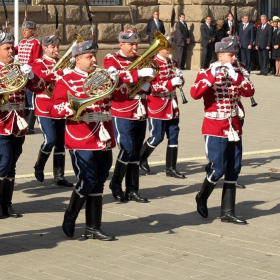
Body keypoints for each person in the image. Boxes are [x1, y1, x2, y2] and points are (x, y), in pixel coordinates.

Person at [50, 40, 116, 240]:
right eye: (89, 56)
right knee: (87, 179)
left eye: (95, 55)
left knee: (100, 181)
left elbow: (119, 99)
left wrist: (118, 81)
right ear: (77, 59)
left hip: (103, 134)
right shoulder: (66, 79)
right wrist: (72, 108)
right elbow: (54, 109)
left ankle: (93, 227)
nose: (94, 60)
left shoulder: (102, 77)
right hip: (82, 136)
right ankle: (70, 214)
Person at [190, 36, 255, 225]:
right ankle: (202, 196)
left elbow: (250, 92)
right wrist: (212, 75)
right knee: (217, 169)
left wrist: (237, 77)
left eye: (235, 54)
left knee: (234, 168)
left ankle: (228, 212)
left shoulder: (239, 70)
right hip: (215, 126)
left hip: (234, 125)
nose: (234, 58)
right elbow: (195, 94)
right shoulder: (207, 72)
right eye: (230, 54)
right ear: (220, 56)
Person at [104, 30, 155, 203]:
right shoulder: (111, 59)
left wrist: (149, 83)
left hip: (140, 110)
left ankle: (133, 189)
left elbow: (149, 84)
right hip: (122, 110)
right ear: (121, 44)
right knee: (126, 148)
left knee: (135, 152)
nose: (134, 47)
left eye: (136, 44)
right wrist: (138, 74)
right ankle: (116, 184)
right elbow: (115, 78)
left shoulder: (139, 60)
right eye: (131, 44)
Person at [0, 31, 45, 218]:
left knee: (12, 164)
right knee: (4, 161)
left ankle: (6, 205)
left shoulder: (19, 68)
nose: (12, 51)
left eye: (12, 48)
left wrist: (32, 75)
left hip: (17, 123)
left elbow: (41, 87)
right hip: (1, 123)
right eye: (7, 48)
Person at [139, 36, 186, 179]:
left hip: (172, 105)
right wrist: (170, 83)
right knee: (157, 137)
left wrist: (180, 79)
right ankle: (141, 158)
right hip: (157, 105)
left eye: (169, 47)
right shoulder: (152, 64)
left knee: (174, 136)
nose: (168, 50)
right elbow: (150, 88)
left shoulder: (174, 62)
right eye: (166, 47)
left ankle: (171, 168)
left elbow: (178, 82)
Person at [32, 35, 73, 187]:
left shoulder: (61, 62)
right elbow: (42, 76)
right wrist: (62, 73)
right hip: (44, 106)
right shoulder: (38, 62)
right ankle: (39, 165)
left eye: (57, 46)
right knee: (50, 139)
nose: (56, 49)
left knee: (61, 142)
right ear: (44, 47)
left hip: (60, 105)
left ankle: (59, 175)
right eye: (52, 47)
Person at [15, 20, 42, 134]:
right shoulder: (22, 42)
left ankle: (30, 127)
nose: (24, 32)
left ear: (32, 31)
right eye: (23, 30)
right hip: (21, 73)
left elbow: (36, 60)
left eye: (26, 30)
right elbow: (15, 50)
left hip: (30, 73)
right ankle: (23, 124)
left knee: (30, 100)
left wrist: (31, 72)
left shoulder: (36, 43)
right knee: (23, 99)